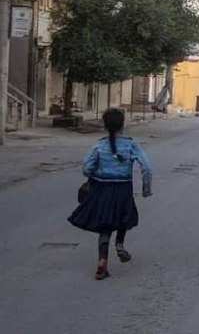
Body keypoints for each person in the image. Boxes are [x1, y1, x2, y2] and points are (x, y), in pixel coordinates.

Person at [68, 108, 153, 280]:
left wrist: (95, 173)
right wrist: (146, 189)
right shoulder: (131, 144)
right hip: (123, 188)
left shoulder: (99, 144)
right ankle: (120, 245)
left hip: (102, 188)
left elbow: (86, 168)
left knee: (105, 225)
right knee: (123, 217)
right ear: (123, 125)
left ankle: (102, 261)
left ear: (104, 126)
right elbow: (147, 167)